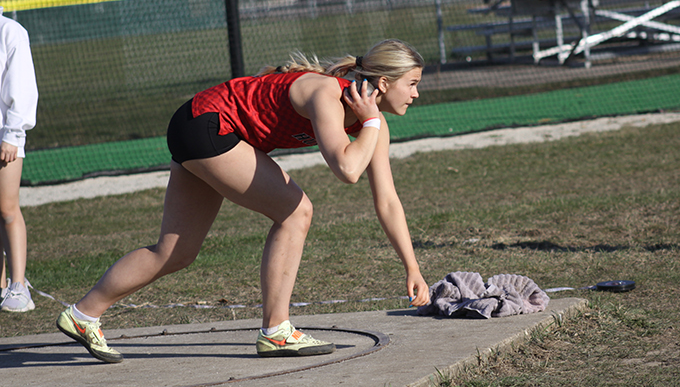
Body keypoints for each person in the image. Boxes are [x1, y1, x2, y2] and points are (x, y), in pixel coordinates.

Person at [56, 38, 431, 363]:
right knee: (296, 210)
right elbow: (347, 170)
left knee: (176, 251)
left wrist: (412, 267)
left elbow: (387, 201)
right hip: (208, 124)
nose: (416, 93)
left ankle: (83, 314)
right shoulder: (328, 95)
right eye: (412, 84)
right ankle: (276, 330)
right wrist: (371, 123)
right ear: (384, 82)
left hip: (197, 124)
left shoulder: (371, 125)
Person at [0, 9, 38, 313]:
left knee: (7, 208)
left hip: (4, 137)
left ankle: (19, 285)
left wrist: (12, 134)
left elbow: (22, 86)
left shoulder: (11, 31)